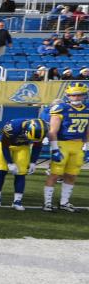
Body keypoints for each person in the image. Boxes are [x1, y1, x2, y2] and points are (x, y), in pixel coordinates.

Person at [44, 83, 89, 212]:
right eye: (73, 95)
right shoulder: (61, 108)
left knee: (71, 175)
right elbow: (52, 131)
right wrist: (55, 148)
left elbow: (87, 130)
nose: (76, 97)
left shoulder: (87, 108)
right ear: (68, 96)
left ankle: (64, 202)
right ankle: (47, 202)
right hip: (63, 144)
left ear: (85, 95)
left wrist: (86, 145)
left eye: (79, 94)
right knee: (55, 174)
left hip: (78, 145)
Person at [0, 118, 47, 211]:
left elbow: (37, 145)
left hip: (23, 146)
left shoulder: (41, 129)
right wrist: (9, 163)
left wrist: (33, 162)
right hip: (6, 145)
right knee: (1, 171)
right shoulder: (13, 126)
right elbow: (4, 146)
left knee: (21, 173)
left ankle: (17, 200)